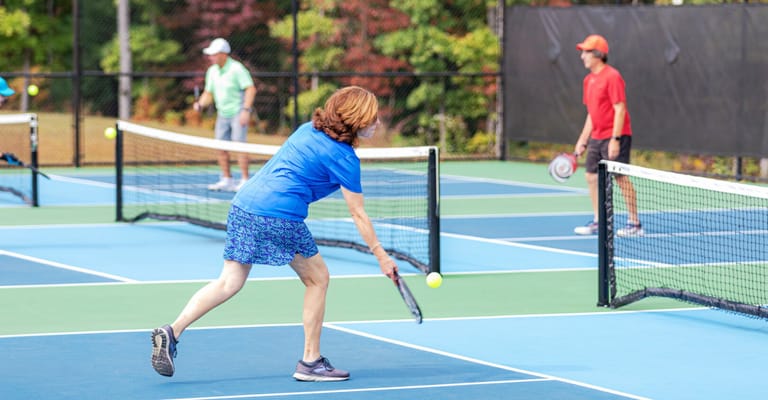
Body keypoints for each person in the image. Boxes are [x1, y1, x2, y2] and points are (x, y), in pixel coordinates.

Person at [151, 86, 396, 382]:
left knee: (229, 281)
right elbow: (358, 213)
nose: (377, 123)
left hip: (243, 205)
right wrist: (382, 257)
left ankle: (173, 331)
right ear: (356, 119)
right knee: (318, 279)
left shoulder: (308, 130)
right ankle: (311, 362)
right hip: (279, 215)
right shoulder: (345, 159)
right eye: (373, 118)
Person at [572, 34, 643, 237]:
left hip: (616, 136)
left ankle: (635, 223)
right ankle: (598, 220)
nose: (582, 56)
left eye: (586, 52)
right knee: (591, 176)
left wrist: (615, 139)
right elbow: (592, 114)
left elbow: (620, 109)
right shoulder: (588, 81)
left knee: (620, 178)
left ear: (598, 54)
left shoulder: (612, 77)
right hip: (597, 136)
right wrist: (582, 140)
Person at [193, 38, 256, 192]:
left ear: (223, 54)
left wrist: (245, 111)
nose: (211, 57)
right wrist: (200, 104)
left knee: (239, 146)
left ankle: (245, 180)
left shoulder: (237, 69)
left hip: (238, 112)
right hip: (223, 113)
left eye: (214, 54)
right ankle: (227, 179)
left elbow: (250, 89)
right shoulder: (212, 71)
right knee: (220, 146)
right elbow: (208, 93)